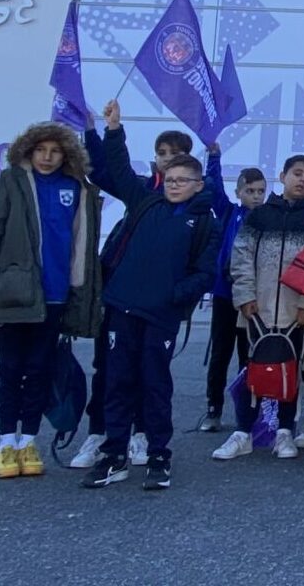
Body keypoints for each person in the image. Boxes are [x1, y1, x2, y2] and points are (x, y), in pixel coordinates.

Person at [81, 124, 218, 491]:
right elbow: (118, 168)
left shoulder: (205, 222)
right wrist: (112, 131)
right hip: (121, 308)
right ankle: (114, 456)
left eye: (183, 179)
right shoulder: (144, 201)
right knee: (116, 383)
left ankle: (159, 455)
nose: (174, 184)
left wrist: (173, 295)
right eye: (169, 177)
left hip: (160, 316)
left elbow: (205, 272)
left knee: (155, 385)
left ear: (198, 184)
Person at [0, 122, 102, 479]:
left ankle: (29, 440)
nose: (47, 157)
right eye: (41, 150)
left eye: (55, 151)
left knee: (40, 370)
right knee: (10, 369)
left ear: (66, 154)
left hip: (56, 295)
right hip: (14, 291)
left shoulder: (77, 188)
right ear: (28, 150)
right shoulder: (11, 181)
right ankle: (6, 442)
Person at [213, 154, 304, 462]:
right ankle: (243, 432)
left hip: (296, 310)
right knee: (251, 368)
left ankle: (285, 431)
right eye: (297, 173)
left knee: (290, 369)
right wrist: (245, 296)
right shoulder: (259, 215)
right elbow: (242, 255)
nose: (302, 180)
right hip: (256, 307)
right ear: (283, 175)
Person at [196, 165, 267, 434]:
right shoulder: (229, 213)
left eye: (260, 191)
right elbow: (213, 188)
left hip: (253, 298)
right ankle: (213, 409)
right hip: (226, 295)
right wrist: (214, 156)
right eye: (250, 191)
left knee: (248, 356)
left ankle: (246, 412)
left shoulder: (267, 220)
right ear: (238, 192)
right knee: (220, 354)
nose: (256, 196)